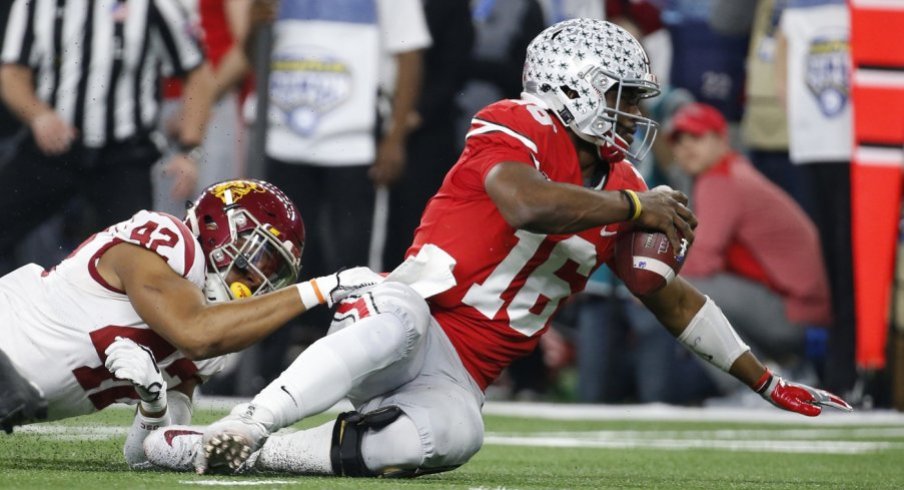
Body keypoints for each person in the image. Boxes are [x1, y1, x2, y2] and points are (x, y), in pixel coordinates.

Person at [143, 19, 851, 478]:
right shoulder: (518, 122)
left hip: (460, 372)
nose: (636, 115)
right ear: (576, 88)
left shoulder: (627, 181)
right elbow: (527, 202)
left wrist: (764, 380)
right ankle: (249, 417)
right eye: (624, 97)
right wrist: (635, 204)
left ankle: (240, 453)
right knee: (398, 318)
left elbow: (670, 298)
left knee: (450, 439)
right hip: (399, 313)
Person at [0, 178, 382, 469]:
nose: (260, 284)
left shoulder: (214, 334)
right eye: (260, 259)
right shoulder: (171, 241)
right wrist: (321, 289)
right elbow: (195, 333)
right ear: (220, 227)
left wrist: (153, 405)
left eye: (275, 274)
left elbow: (147, 453)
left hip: (16, 395)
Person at [0, 0, 219, 266]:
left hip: (124, 157)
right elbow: (11, 73)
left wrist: (188, 151)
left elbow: (198, 74)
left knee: (135, 260)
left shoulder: (155, 5)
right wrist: (38, 114)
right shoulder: (36, 4)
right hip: (53, 149)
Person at [668, 102, 832, 392]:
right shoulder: (732, 172)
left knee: (674, 289)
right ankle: (783, 372)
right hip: (800, 307)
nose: (686, 147)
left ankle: (750, 389)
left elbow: (701, 262)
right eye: (679, 140)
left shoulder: (720, 179)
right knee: (678, 285)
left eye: (697, 137)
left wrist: (647, 272)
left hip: (794, 312)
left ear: (722, 139)